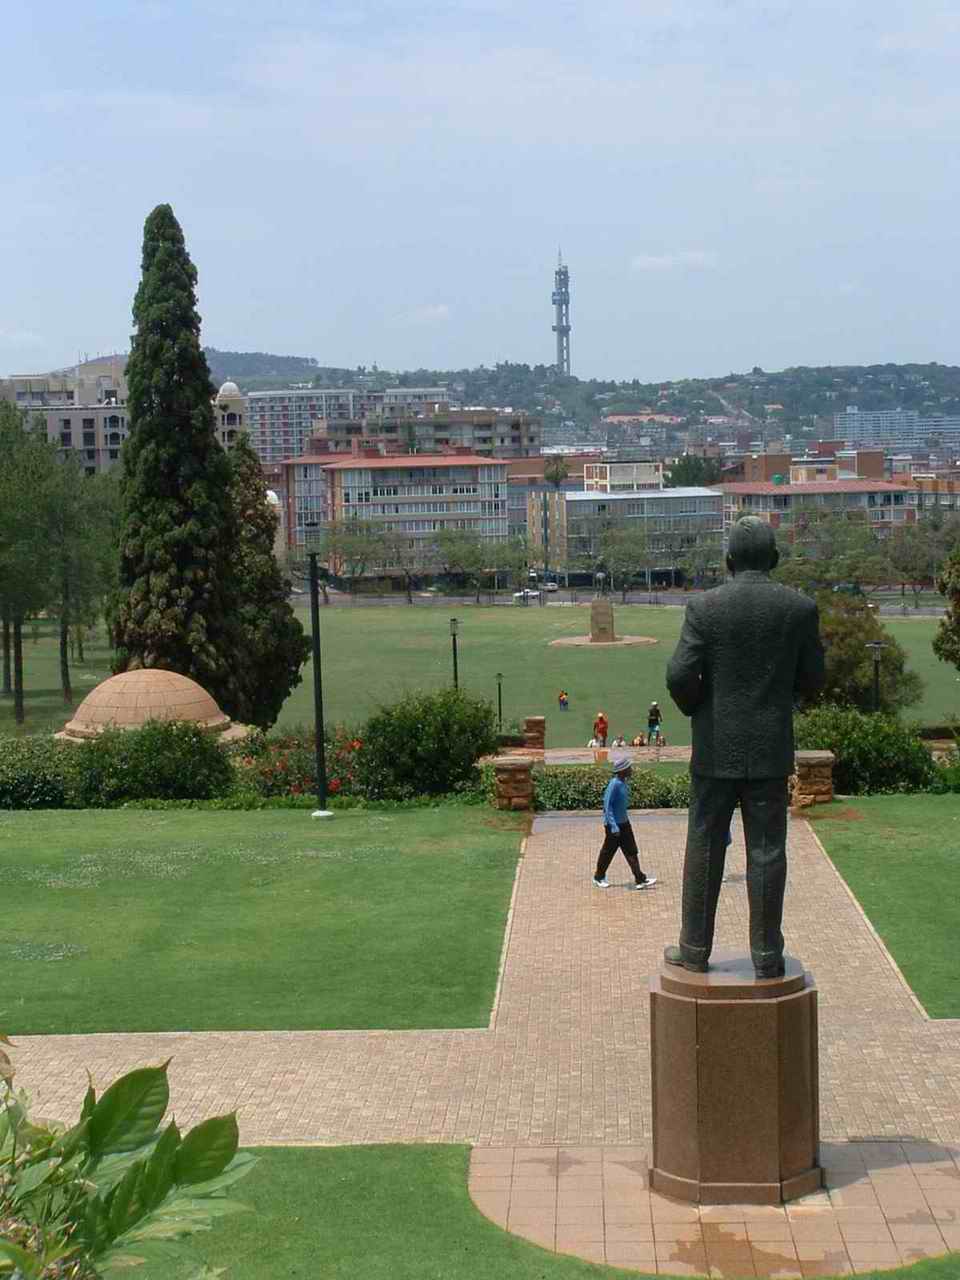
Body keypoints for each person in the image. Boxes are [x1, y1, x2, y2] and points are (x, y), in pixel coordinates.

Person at [663, 516, 825, 978]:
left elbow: (679, 674)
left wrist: (699, 709)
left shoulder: (704, 607)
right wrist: (782, 703)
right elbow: (814, 678)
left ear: (728, 561)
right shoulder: (799, 609)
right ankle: (767, 956)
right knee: (768, 851)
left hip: (715, 748)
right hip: (770, 749)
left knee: (704, 844)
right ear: (774, 559)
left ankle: (694, 949)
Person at [593, 755, 658, 891]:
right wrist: (613, 826)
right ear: (622, 770)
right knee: (608, 852)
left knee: (631, 851)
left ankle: (640, 879)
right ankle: (598, 877)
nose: (631, 769)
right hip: (614, 826)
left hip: (624, 823)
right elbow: (607, 806)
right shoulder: (614, 784)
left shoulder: (623, 783)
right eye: (629, 768)